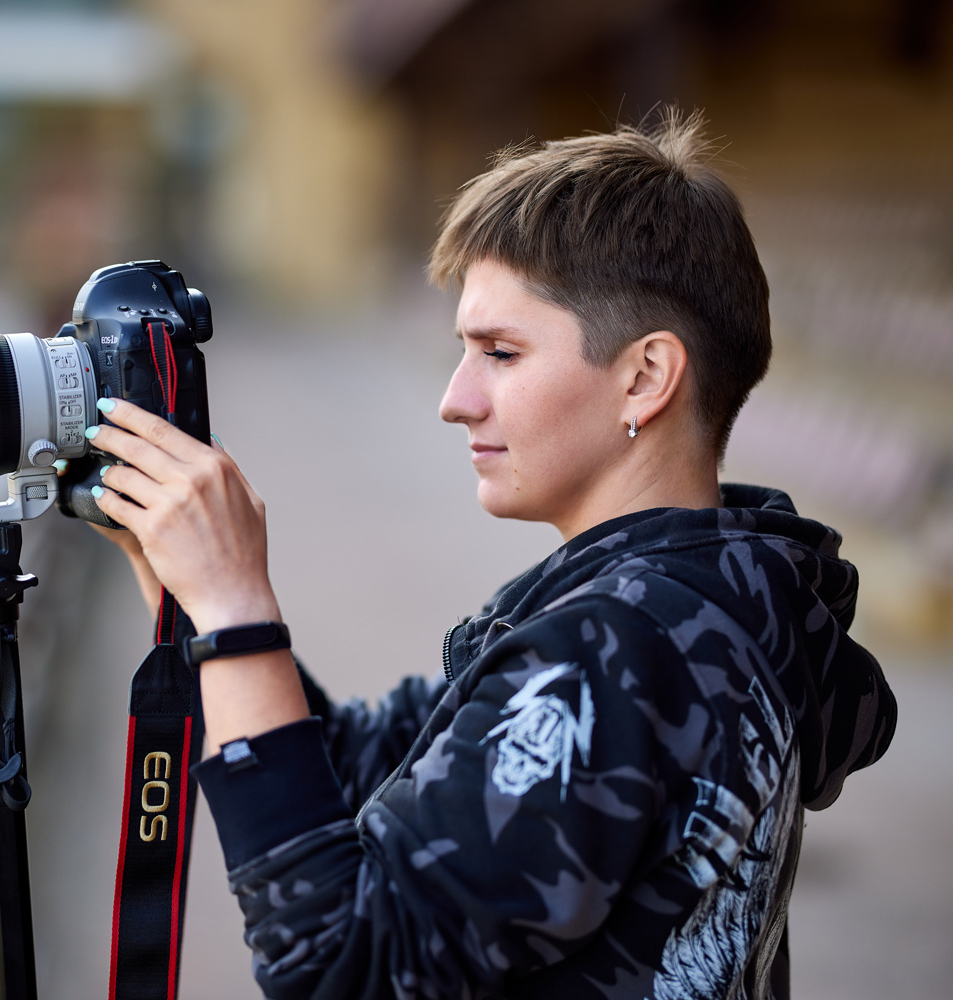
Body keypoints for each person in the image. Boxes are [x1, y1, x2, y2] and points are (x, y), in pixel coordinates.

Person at [80, 111, 897, 999]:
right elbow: (364, 767)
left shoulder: (615, 648)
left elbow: (340, 968)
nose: (455, 399)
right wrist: (187, 582)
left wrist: (240, 611)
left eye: (500, 353)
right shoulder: (724, 603)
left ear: (646, 378)